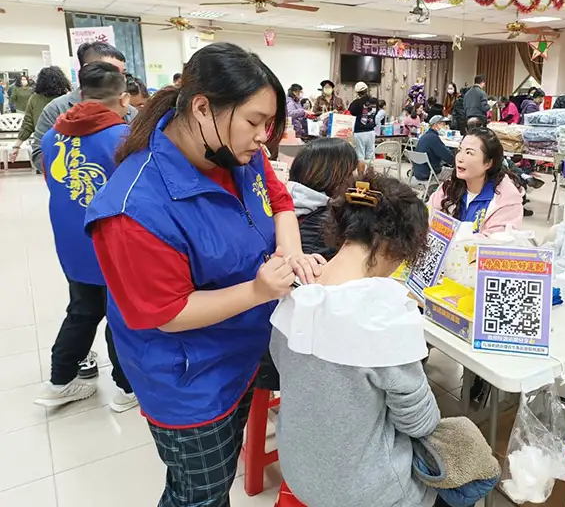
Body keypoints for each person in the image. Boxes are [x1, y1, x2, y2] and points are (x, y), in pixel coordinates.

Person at [84, 43, 324, 506]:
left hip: (244, 347)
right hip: (190, 381)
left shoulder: (236, 153)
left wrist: (291, 252)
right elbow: (167, 314)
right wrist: (258, 290)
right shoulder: (133, 209)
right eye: (255, 122)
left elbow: (281, 201)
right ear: (201, 108)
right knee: (201, 495)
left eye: (268, 125)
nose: (263, 139)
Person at [270, 172, 453, 507]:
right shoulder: (383, 318)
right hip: (366, 493)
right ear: (394, 245)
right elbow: (421, 422)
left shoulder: (294, 291)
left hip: (298, 473)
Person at [34, 62, 136, 411]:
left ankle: (60, 380)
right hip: (112, 243)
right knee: (120, 313)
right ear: (123, 99)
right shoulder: (123, 137)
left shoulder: (51, 137)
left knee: (82, 309)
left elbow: (53, 183)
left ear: (80, 95)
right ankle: (126, 388)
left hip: (71, 240)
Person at [30, 42, 134, 173]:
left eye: (123, 73)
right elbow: (39, 153)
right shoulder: (56, 109)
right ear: (89, 70)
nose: (120, 79)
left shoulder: (130, 111)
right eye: (110, 71)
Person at [429, 128, 524, 235]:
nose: (460, 158)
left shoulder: (507, 199)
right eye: (460, 150)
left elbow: (494, 244)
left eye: (469, 153)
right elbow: (428, 216)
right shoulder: (450, 186)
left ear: (488, 163)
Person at [287, 138, 359, 260]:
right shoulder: (322, 225)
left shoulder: (289, 200)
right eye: (352, 171)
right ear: (335, 176)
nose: (356, 176)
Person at [10, 66, 72, 166]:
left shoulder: (34, 99)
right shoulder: (67, 99)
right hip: (67, 144)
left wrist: (16, 146)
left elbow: (27, 124)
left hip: (44, 144)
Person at [413, 115, 454, 182]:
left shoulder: (426, 136)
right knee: (456, 174)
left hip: (418, 171)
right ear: (435, 125)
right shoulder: (433, 138)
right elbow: (448, 157)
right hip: (429, 173)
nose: (445, 127)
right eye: (443, 125)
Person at [349, 81, 377, 171]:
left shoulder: (356, 103)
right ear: (367, 90)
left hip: (359, 132)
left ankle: (361, 178)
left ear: (357, 92)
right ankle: (370, 178)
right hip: (371, 131)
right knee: (370, 156)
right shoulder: (374, 101)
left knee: (360, 156)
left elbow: (350, 114)